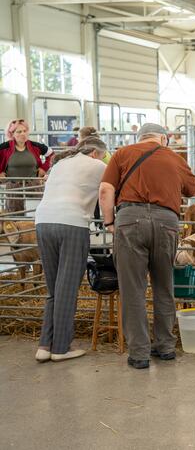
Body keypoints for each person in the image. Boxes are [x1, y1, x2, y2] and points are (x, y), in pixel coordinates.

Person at [99, 123, 195, 370]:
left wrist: (109, 221)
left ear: (139, 137)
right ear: (163, 139)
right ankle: (165, 347)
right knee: (164, 286)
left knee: (133, 288)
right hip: (166, 222)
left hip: (129, 220)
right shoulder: (174, 157)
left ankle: (139, 353)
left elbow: (105, 189)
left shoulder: (122, 153)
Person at [33, 138, 108, 363]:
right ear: (95, 153)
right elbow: (109, 191)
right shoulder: (98, 165)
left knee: (53, 288)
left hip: (43, 222)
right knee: (68, 288)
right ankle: (61, 348)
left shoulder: (59, 164)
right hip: (72, 224)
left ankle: (45, 346)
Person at [2, 119, 52, 213]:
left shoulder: (35, 146)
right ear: (12, 134)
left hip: (33, 187)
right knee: (14, 216)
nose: (23, 134)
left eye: (25, 131)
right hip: (13, 188)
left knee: (34, 214)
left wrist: (43, 168)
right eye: (19, 132)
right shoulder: (4, 147)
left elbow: (51, 154)